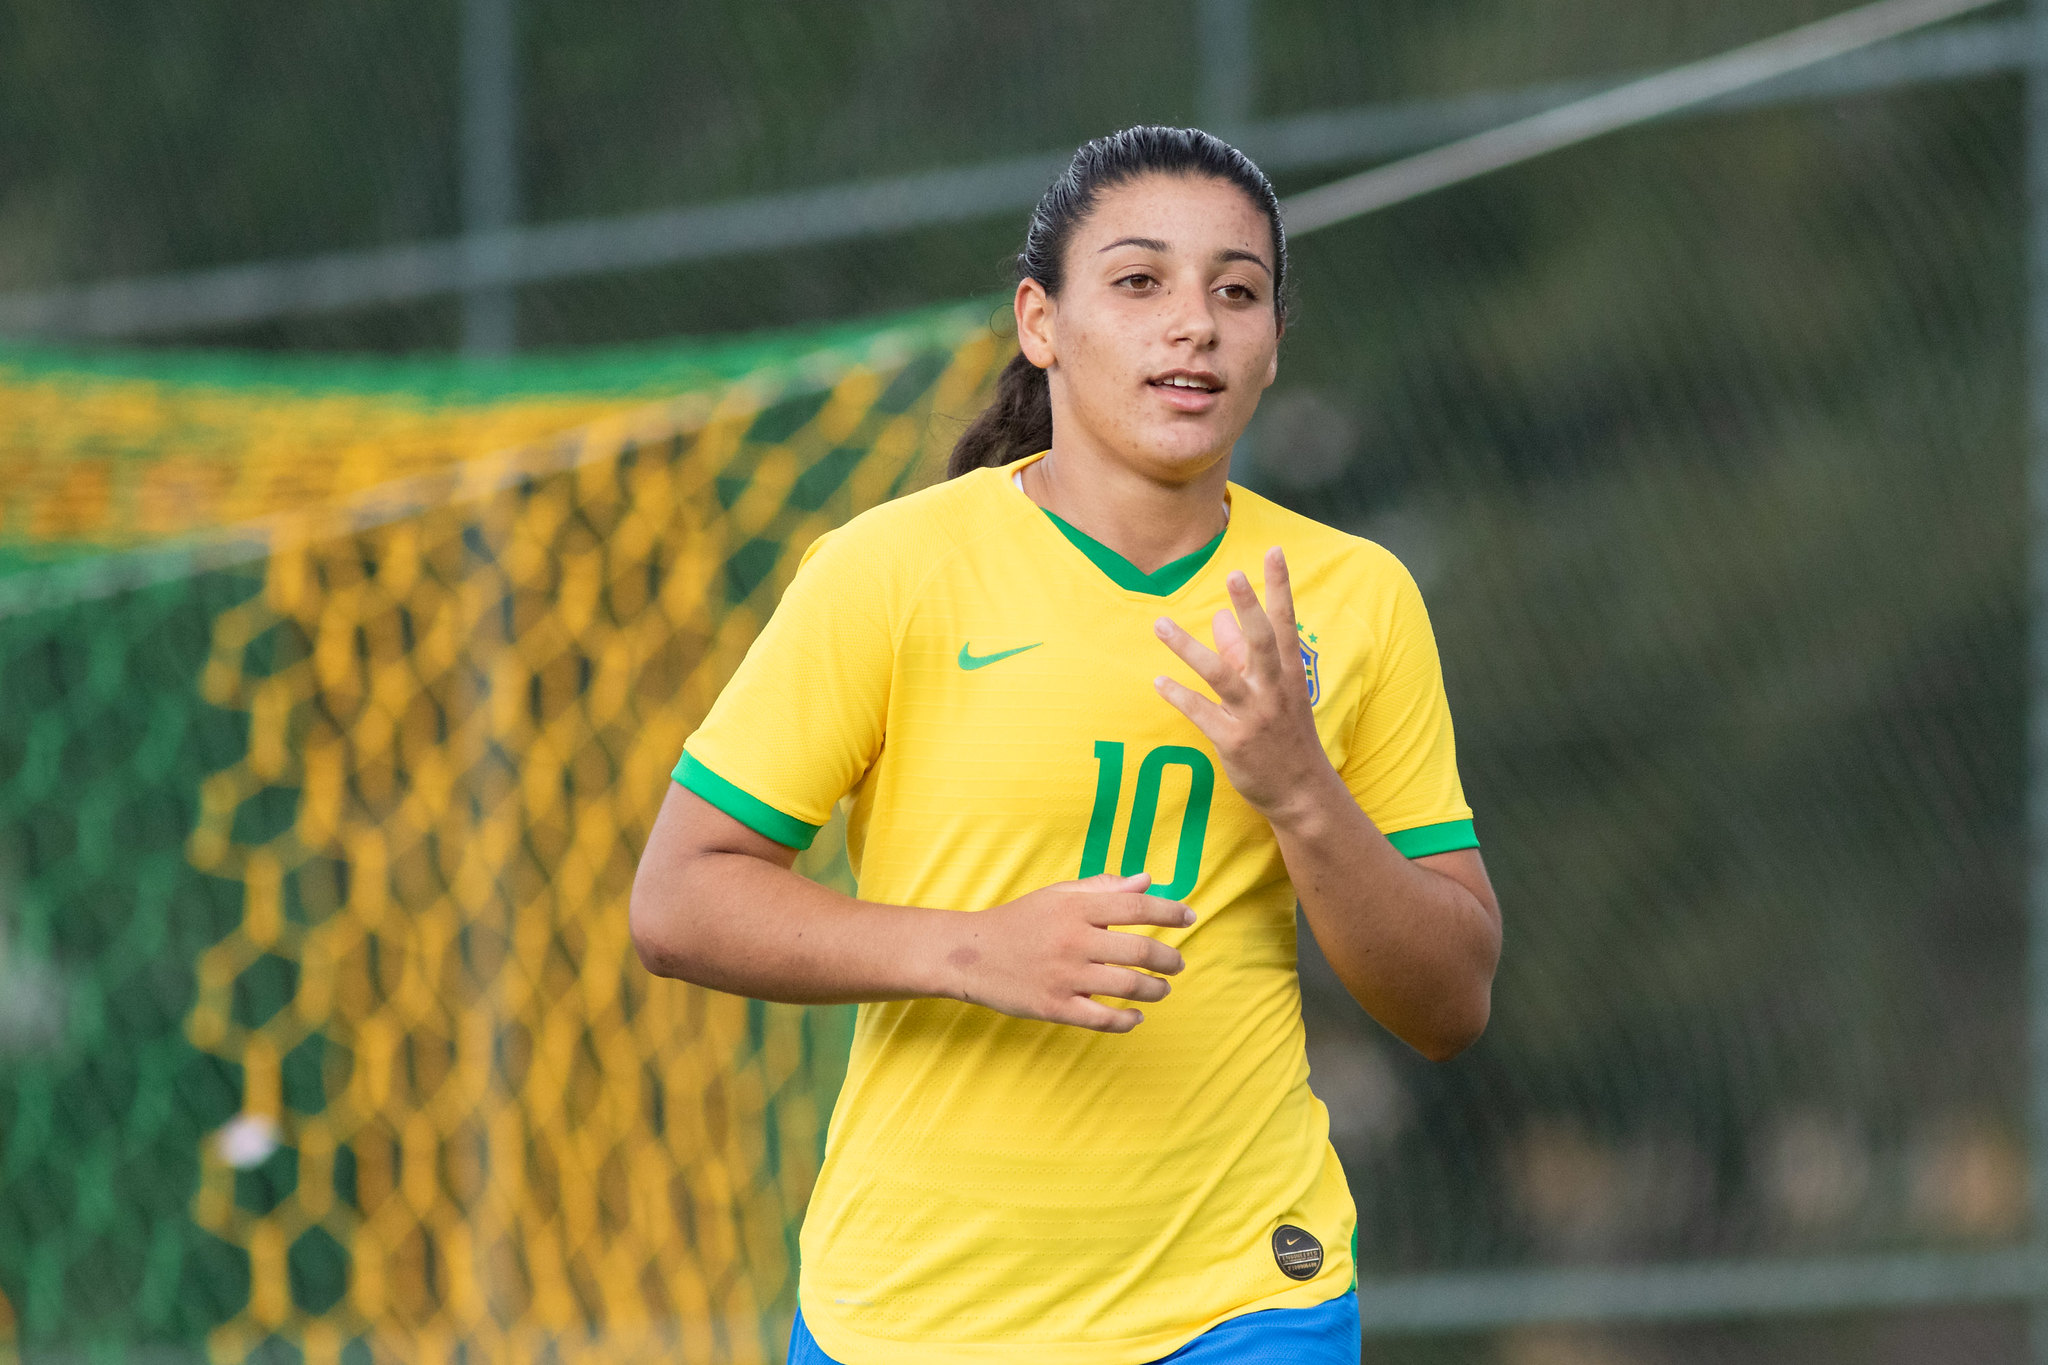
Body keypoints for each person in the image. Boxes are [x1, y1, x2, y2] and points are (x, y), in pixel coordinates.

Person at [629, 125, 1502, 1365]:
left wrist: (1302, 794)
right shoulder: (890, 572)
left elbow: (1448, 1001)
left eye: (1235, 291)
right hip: (912, 1311)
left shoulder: (1353, 598)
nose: (1191, 324)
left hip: (1241, 1304)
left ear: (1270, 343)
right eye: (1139, 282)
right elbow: (677, 901)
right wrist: (971, 948)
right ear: (1040, 322)